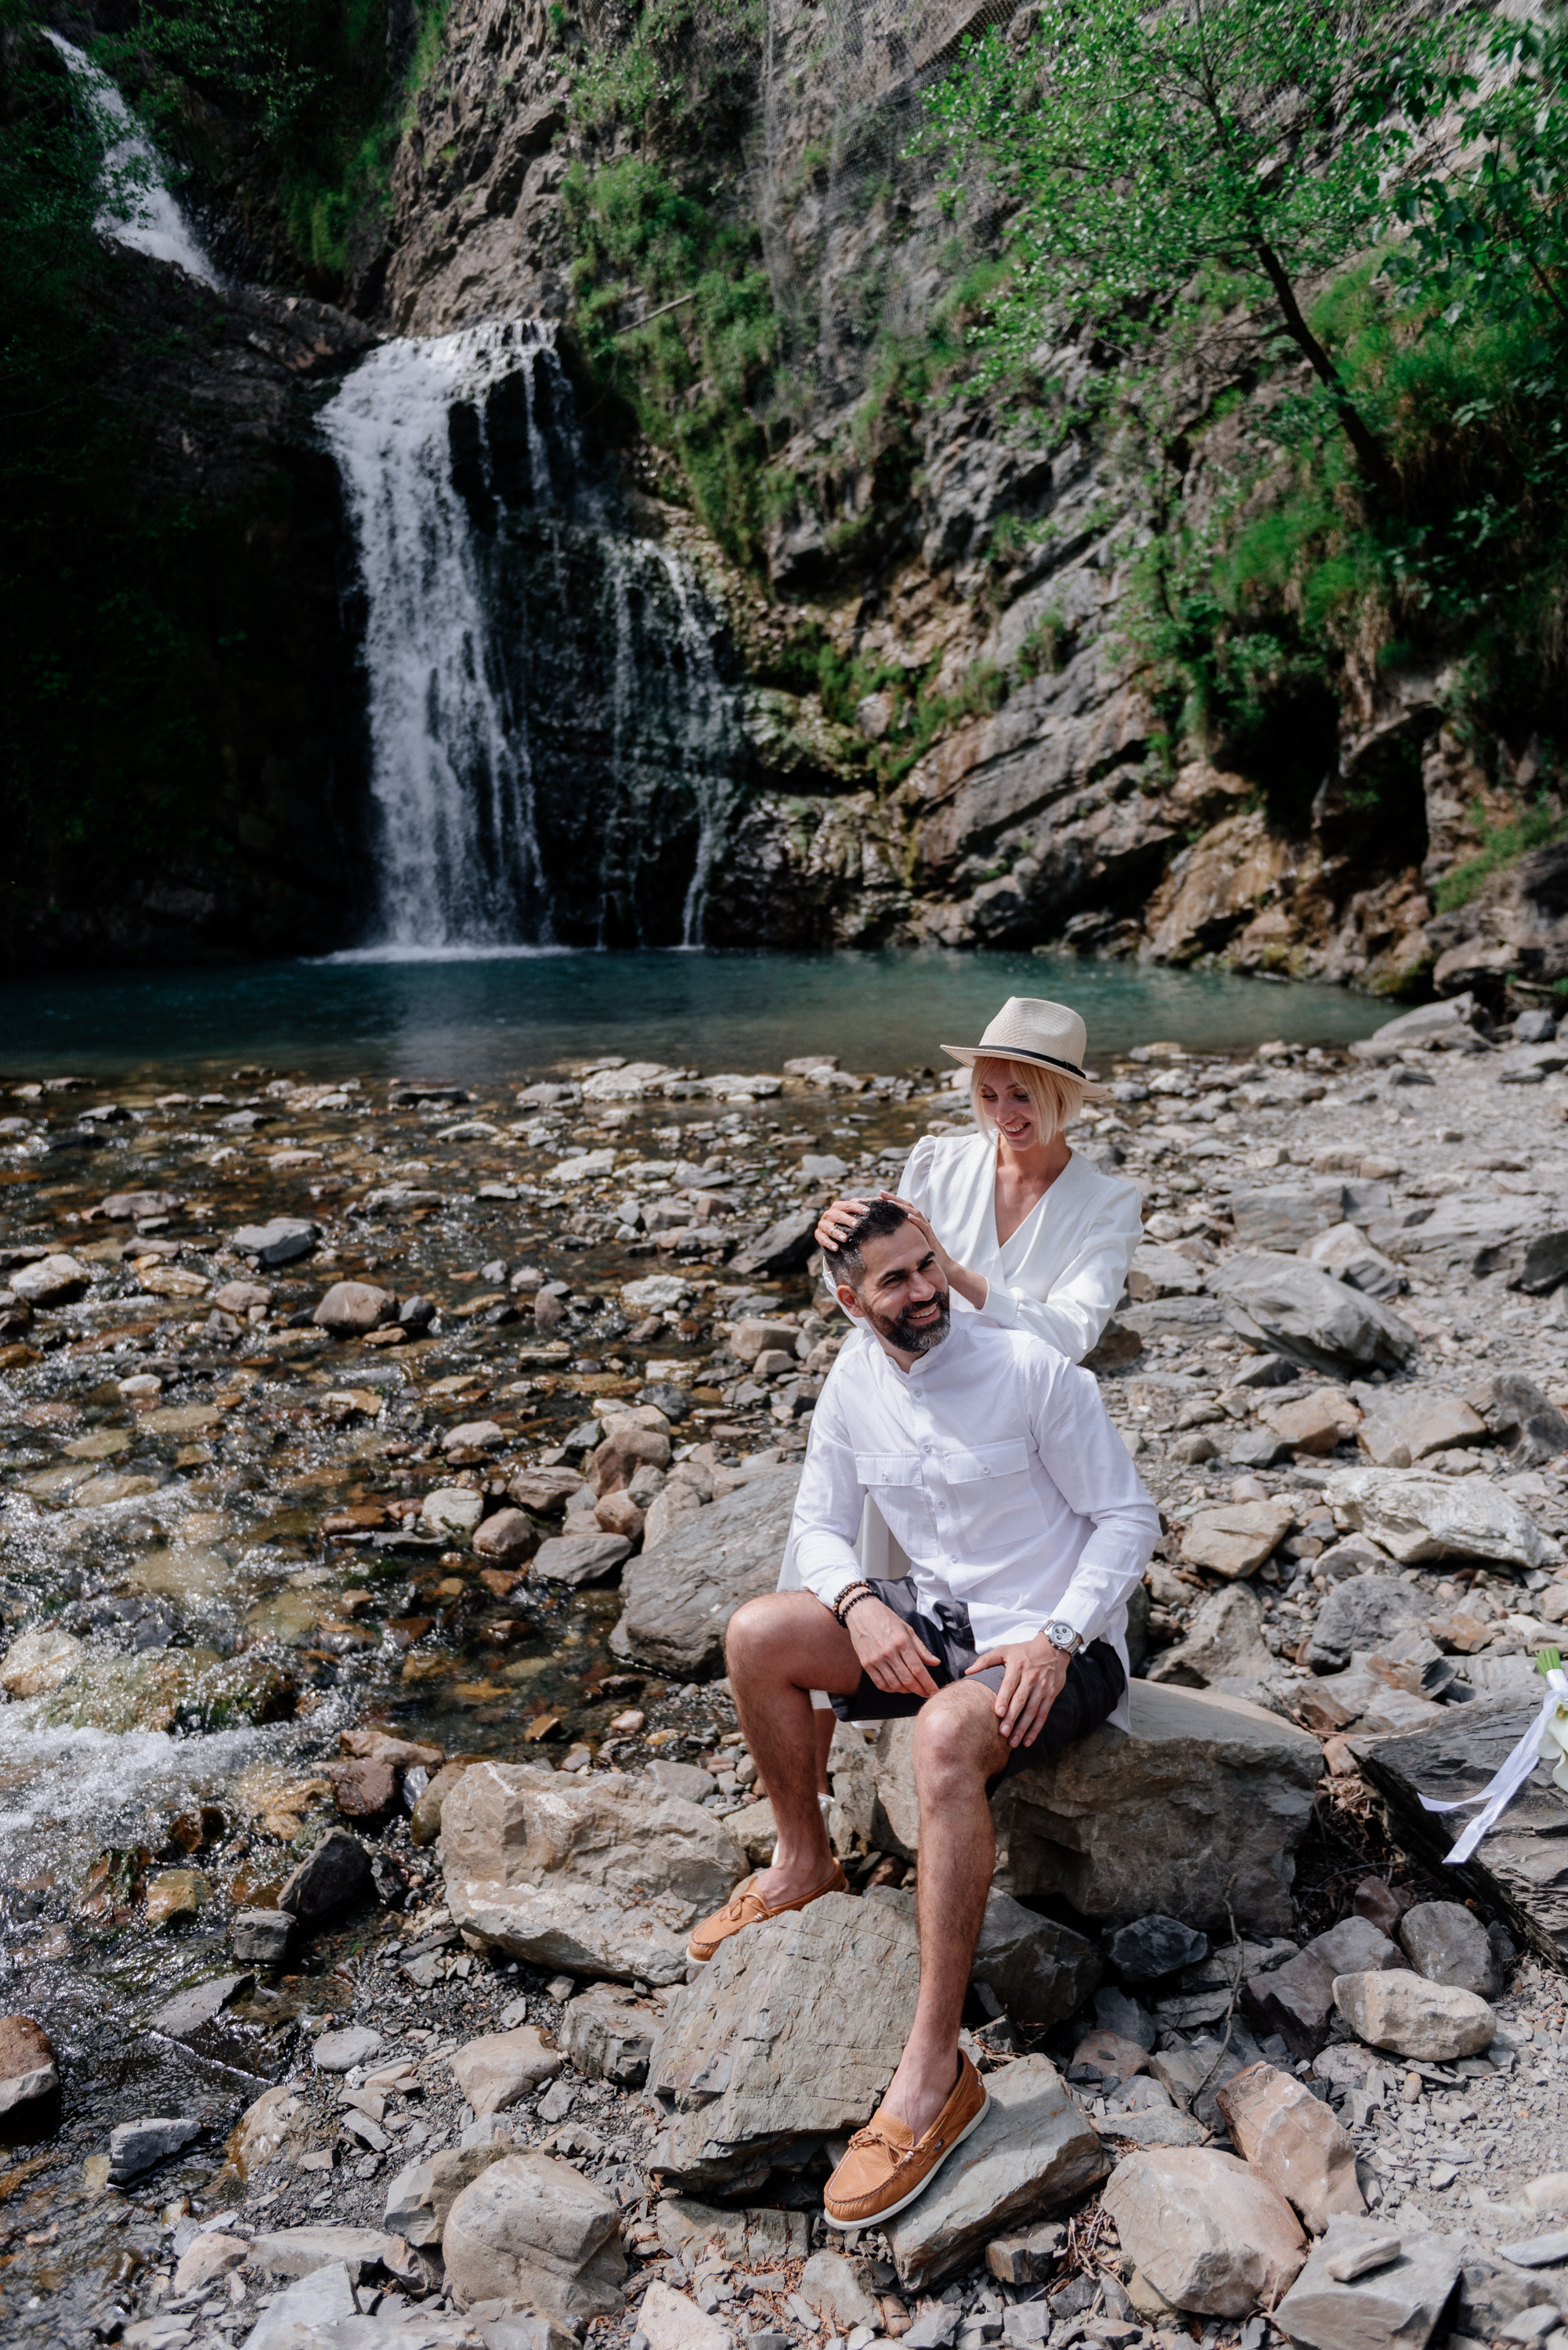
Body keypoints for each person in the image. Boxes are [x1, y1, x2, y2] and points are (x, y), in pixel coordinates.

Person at [690, 1198, 1158, 2227]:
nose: (924, 1292)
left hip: (1055, 1648)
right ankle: (801, 1860)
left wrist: (1059, 1635)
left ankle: (933, 2070)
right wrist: (858, 1607)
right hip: (939, 1629)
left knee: (945, 1732)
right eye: (894, 1280)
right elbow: (817, 1528)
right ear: (846, 1299)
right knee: (757, 1637)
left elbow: (1129, 1516)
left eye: (928, 1266)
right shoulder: (852, 1384)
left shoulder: (1031, 1370)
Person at [788, 995, 1146, 1793]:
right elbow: (872, 1280)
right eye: (988, 1094)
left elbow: (1071, 1332)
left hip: (1014, 1413)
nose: (1003, 1113)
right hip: (905, 1388)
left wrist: (948, 1270)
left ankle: (965, 1733)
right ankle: (803, 1789)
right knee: (827, 1559)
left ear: (1065, 1098)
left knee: (1001, 1567)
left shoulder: (1105, 1203)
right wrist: (834, 1239)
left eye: (1023, 1095)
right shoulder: (936, 1160)